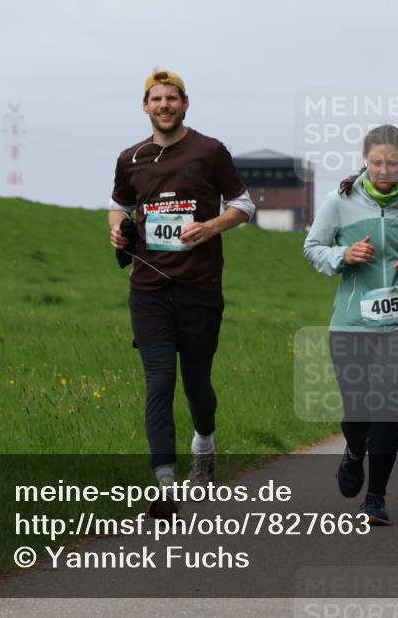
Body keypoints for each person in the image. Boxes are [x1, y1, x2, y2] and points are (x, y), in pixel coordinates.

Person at [108, 68, 255, 519]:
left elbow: (244, 205)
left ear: (185, 104)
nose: (164, 105)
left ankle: (205, 443)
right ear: (145, 106)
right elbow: (119, 205)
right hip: (149, 289)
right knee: (159, 382)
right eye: (156, 99)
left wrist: (210, 226)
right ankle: (165, 484)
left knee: (195, 384)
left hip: (199, 288)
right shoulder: (130, 157)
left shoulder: (210, 151)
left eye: (172, 98)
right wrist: (118, 232)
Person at [304, 125, 398, 525]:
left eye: (393, 163)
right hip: (350, 322)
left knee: (384, 406)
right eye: (377, 162)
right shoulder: (340, 201)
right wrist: (344, 254)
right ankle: (353, 451)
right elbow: (312, 248)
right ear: (365, 160)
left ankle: (376, 498)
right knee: (357, 412)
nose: (385, 170)